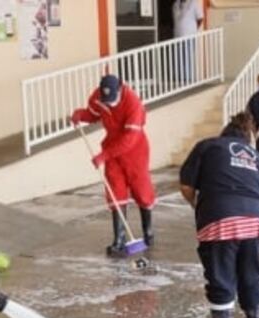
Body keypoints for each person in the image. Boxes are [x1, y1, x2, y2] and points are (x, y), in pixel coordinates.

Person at [179, 111, 259, 318]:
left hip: (219, 219)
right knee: (250, 274)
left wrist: (201, 207)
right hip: (254, 222)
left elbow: (187, 186)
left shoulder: (208, 147)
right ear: (248, 137)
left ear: (226, 132)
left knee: (221, 277)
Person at [71, 75, 156, 253]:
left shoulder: (133, 104)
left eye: (112, 100)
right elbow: (93, 114)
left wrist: (104, 156)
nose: (108, 104)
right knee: (115, 190)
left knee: (142, 190)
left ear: (120, 89)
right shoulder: (98, 97)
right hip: (111, 150)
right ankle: (119, 239)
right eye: (105, 100)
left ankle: (148, 232)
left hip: (135, 151)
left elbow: (129, 140)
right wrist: (80, 115)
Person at [172, 0, 204, 84]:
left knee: (187, 58)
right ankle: (179, 78)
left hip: (189, 35)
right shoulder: (176, 4)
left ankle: (187, 79)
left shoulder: (193, 3)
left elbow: (200, 18)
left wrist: (192, 29)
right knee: (178, 58)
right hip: (177, 36)